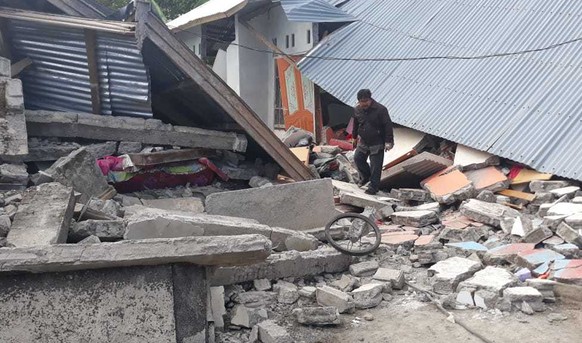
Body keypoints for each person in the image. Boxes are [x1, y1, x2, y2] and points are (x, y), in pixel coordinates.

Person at [351, 89, 394, 195]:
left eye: (366, 101)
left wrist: (389, 141)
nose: (364, 104)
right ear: (358, 101)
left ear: (370, 100)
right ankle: (365, 177)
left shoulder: (381, 109)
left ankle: (373, 187)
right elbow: (355, 123)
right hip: (364, 141)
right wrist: (354, 137)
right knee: (358, 158)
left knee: (376, 166)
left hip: (377, 141)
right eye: (362, 101)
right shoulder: (357, 110)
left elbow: (388, 125)